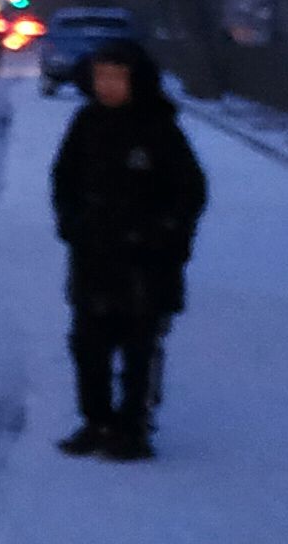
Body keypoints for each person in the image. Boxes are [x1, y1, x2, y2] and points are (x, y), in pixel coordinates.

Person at [48, 36, 208, 460]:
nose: (108, 85)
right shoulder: (86, 123)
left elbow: (189, 192)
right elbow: (63, 179)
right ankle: (96, 420)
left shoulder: (159, 128)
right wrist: (71, 223)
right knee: (88, 342)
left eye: (117, 77)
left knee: (139, 345)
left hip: (145, 262)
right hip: (92, 255)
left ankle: (134, 426)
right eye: (101, 76)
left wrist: (163, 235)